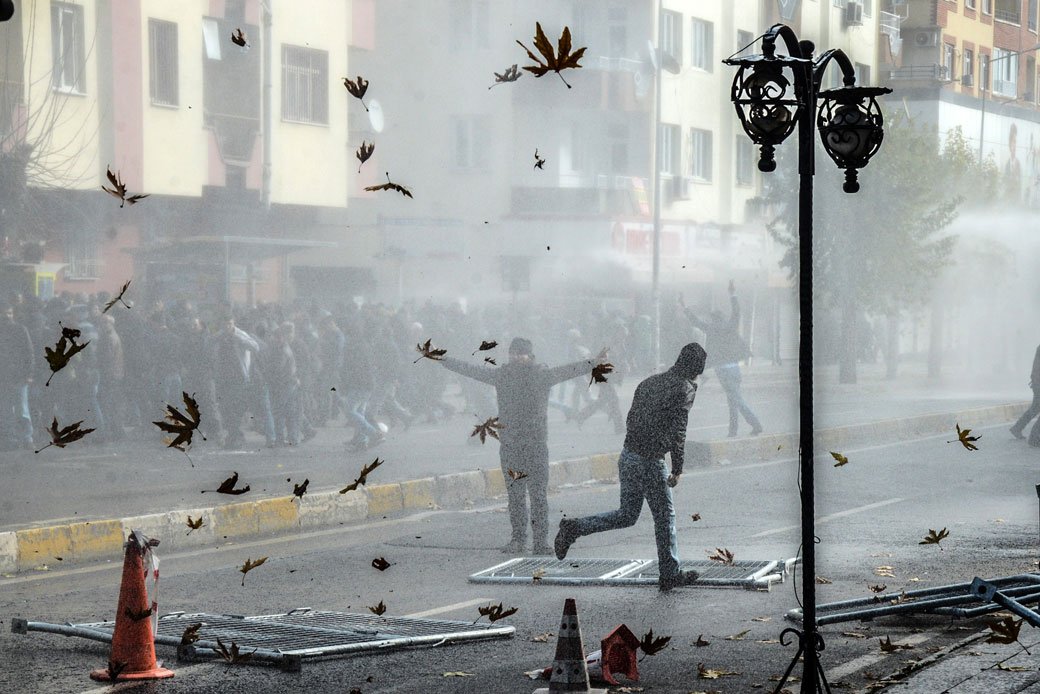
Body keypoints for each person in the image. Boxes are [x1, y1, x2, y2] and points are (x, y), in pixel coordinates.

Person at [553, 342, 706, 592]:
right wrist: (677, 467)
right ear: (697, 367)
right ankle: (669, 574)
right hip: (649, 461)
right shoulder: (685, 388)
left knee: (627, 515)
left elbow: (631, 418)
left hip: (629, 455)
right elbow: (679, 431)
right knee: (664, 517)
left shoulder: (649, 381)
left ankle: (574, 527)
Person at [437, 337, 604, 555]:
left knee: (538, 496)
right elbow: (471, 370)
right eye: (513, 353)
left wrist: (593, 362)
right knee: (515, 495)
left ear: (530, 355)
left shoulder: (541, 375)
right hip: (511, 446)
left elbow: (569, 370)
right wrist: (444, 359)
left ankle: (540, 542)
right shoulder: (503, 375)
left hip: (535, 446)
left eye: (520, 354)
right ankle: (517, 539)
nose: (516, 357)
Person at [680, 281, 762, 437]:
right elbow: (737, 312)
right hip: (734, 369)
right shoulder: (730, 326)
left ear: (713, 319)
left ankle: (756, 424)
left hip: (723, 371)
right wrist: (733, 294)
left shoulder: (711, 328)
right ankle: (733, 431)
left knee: (736, 400)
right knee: (732, 400)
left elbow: (695, 321)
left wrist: (684, 307)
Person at [1010, 341, 1040, 443]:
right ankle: (1034, 438)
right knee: (1035, 407)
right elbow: (1037, 368)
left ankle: (1017, 428)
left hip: (1037, 382)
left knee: (1035, 408)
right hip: (1038, 383)